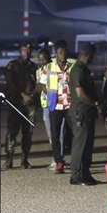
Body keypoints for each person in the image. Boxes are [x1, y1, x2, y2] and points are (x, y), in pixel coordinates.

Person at [68, 42, 102, 186]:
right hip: (80, 112)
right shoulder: (78, 70)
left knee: (87, 145)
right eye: (92, 56)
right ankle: (76, 175)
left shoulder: (83, 69)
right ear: (88, 56)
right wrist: (95, 103)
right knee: (80, 145)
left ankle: (86, 174)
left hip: (86, 113)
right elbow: (80, 94)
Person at [39, 43, 74, 174]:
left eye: (65, 53)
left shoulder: (72, 68)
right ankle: (59, 162)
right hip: (55, 105)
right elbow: (42, 84)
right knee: (55, 135)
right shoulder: (49, 68)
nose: (63, 55)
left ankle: (76, 160)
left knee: (73, 134)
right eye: (61, 53)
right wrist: (49, 94)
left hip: (70, 105)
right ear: (56, 54)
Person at [4, 41, 38, 169]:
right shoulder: (12, 65)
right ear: (20, 50)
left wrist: (31, 96)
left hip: (30, 104)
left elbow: (39, 84)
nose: (27, 52)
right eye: (24, 49)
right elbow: (9, 82)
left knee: (28, 132)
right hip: (15, 102)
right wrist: (22, 94)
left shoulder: (34, 67)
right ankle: (9, 158)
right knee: (12, 131)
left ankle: (25, 159)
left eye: (29, 50)